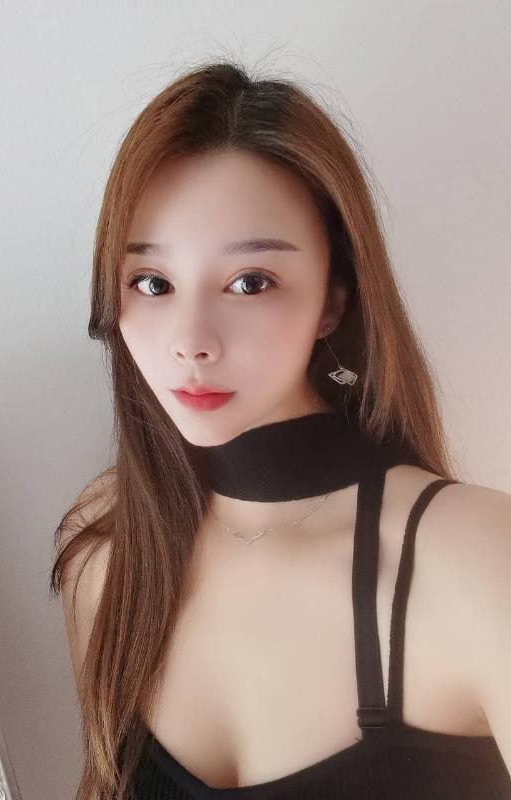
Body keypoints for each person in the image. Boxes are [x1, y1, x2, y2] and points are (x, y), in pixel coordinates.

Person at [49, 60, 511, 800]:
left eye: (250, 282)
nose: (190, 341)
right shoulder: (108, 546)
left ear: (334, 299)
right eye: (152, 283)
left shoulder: (473, 557)